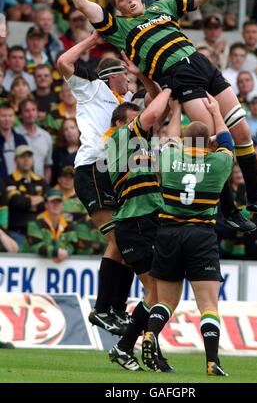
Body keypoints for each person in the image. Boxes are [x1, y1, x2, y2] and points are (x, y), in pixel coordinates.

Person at [42, 0, 257, 225]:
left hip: (203, 65)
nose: (128, 0)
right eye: (121, 0)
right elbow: (83, 3)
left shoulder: (162, 7)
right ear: (117, 9)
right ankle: (229, 211)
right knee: (212, 138)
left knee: (242, 132)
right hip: (178, 77)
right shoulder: (119, 29)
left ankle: (255, 198)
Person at [57, 31, 159, 336]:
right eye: (126, 76)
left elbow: (153, 99)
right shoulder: (91, 88)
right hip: (92, 169)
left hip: (114, 174)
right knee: (118, 240)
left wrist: (144, 73)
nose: (129, 82)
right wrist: (92, 39)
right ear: (112, 76)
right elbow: (63, 62)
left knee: (126, 239)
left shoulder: (128, 101)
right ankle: (103, 309)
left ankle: (114, 308)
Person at [141, 94, 233, 376]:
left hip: (168, 232)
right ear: (209, 143)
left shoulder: (170, 157)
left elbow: (170, 138)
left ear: (184, 139)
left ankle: (150, 334)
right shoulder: (218, 164)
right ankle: (212, 361)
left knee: (165, 301)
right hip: (201, 235)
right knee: (208, 304)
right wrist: (216, 111)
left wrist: (178, 108)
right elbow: (228, 140)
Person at [106, 94, 173, 372]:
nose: (141, 124)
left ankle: (133, 348)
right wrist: (169, 85)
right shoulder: (119, 139)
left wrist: (165, 92)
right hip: (134, 224)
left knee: (156, 293)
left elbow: (162, 115)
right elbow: (154, 115)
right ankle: (128, 348)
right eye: (135, 119)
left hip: (149, 221)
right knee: (157, 292)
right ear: (121, 123)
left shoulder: (141, 145)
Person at [6, 144, 47, 245]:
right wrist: (38, 200)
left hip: (41, 232)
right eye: (22, 156)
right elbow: (17, 202)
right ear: (15, 160)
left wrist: (27, 201)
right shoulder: (9, 180)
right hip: (17, 232)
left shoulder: (41, 181)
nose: (26, 159)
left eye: (29, 156)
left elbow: (47, 203)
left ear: (32, 159)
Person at [24, 188, 77, 261]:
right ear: (46, 205)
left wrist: (65, 252)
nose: (56, 205)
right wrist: (56, 252)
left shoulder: (69, 224)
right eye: (52, 202)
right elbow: (35, 246)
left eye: (59, 202)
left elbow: (73, 245)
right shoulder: (35, 223)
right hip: (29, 266)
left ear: (63, 204)